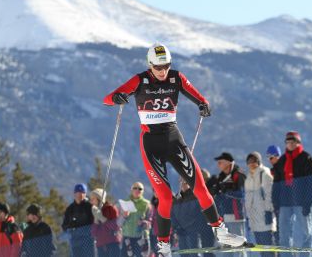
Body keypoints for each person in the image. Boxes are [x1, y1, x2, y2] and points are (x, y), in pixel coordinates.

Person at [103, 43, 246, 256]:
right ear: (150, 65)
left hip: (173, 139)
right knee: (166, 198)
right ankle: (163, 245)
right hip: (151, 144)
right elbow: (107, 99)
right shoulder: (139, 80)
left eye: (166, 66)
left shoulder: (176, 78)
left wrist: (204, 105)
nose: (163, 71)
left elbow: (198, 96)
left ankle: (221, 232)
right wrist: (117, 98)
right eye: (158, 67)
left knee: (200, 188)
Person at [272, 131, 312, 257]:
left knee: (306, 233)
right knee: (284, 235)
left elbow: (311, 182)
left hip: (302, 202)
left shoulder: (306, 158)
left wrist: (308, 203)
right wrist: (275, 203)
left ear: (298, 143)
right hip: (285, 203)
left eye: (293, 142)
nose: (290, 144)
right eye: (288, 142)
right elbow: (276, 184)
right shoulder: (282, 161)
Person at [172, 178, 215, 257]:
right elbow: (173, 214)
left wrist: (189, 225)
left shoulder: (195, 195)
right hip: (182, 231)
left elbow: (196, 212)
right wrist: (176, 227)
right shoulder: (177, 198)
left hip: (195, 229)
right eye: (181, 181)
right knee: (184, 253)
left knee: (197, 252)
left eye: (185, 181)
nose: (183, 184)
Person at [244, 152, 275, 257]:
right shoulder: (248, 177)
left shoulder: (264, 173)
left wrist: (268, 211)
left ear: (259, 161)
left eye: (254, 161)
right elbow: (247, 198)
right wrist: (248, 215)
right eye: (249, 161)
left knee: (268, 248)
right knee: (261, 249)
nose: (252, 163)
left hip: (264, 216)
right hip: (254, 219)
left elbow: (269, 194)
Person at [214, 152, 247, 238]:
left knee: (238, 241)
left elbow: (243, 194)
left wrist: (227, 192)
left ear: (228, 163)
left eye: (220, 162)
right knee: (229, 244)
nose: (218, 165)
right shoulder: (221, 177)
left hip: (237, 214)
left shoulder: (238, 174)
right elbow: (219, 194)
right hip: (225, 214)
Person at [62, 183, 95, 257]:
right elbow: (64, 225)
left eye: (82, 193)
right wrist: (70, 226)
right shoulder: (70, 209)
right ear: (74, 194)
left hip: (88, 240)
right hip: (75, 241)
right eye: (78, 193)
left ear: (85, 194)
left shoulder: (89, 207)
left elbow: (95, 221)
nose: (80, 195)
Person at [121, 182, 151, 257]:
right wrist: (124, 216)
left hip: (141, 237)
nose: (137, 190)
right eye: (135, 188)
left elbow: (150, 223)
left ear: (143, 191)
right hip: (127, 236)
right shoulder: (125, 202)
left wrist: (143, 222)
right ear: (131, 190)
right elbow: (119, 223)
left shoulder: (146, 204)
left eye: (140, 189)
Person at [90, 188, 121, 257]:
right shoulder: (94, 211)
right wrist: (96, 219)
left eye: (93, 199)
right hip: (100, 245)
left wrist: (102, 218)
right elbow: (93, 233)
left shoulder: (111, 209)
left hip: (112, 243)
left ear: (99, 199)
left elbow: (116, 226)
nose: (91, 201)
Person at [265, 145, 281, 245]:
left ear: (277, 156)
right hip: (274, 205)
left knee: (284, 234)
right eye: (268, 158)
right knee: (276, 234)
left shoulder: (283, 169)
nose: (269, 160)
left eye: (271, 158)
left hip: (283, 205)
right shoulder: (271, 171)